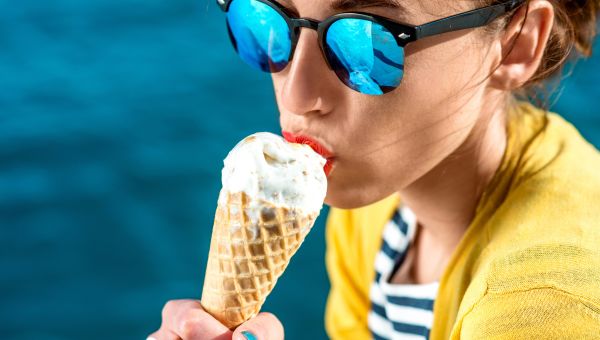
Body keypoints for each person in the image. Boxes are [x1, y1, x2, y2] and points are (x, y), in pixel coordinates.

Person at [148, 0, 600, 339]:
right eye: (263, 19)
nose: (297, 97)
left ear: (517, 43)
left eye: (363, 43)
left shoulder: (544, 312)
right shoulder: (372, 203)